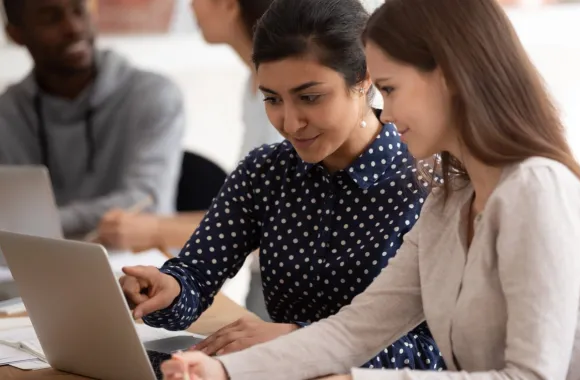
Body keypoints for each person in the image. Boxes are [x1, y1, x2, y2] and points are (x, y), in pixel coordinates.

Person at [160, 0, 580, 379]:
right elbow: (353, 331)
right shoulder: (448, 197)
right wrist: (220, 372)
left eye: (389, 88)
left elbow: (531, 378)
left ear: (450, 77)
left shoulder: (536, 190)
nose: (386, 112)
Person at [120, 0, 445, 371]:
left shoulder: (427, 185)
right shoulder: (265, 171)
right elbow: (195, 275)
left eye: (310, 97)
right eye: (272, 99)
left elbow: (436, 357)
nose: (289, 123)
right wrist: (166, 289)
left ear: (364, 79)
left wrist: (299, 339)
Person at [95, 0, 281, 251]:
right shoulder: (254, 84)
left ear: (228, 5)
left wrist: (155, 230)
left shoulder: (283, 93)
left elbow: (271, 226)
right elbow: (244, 213)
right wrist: (149, 226)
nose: (191, 6)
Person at [0, 0, 184, 238]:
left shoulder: (153, 95)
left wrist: (45, 224)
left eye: (79, 10)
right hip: (32, 264)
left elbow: (146, 202)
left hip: (132, 264)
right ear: (16, 35)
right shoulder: (7, 113)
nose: (74, 27)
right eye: (50, 18)